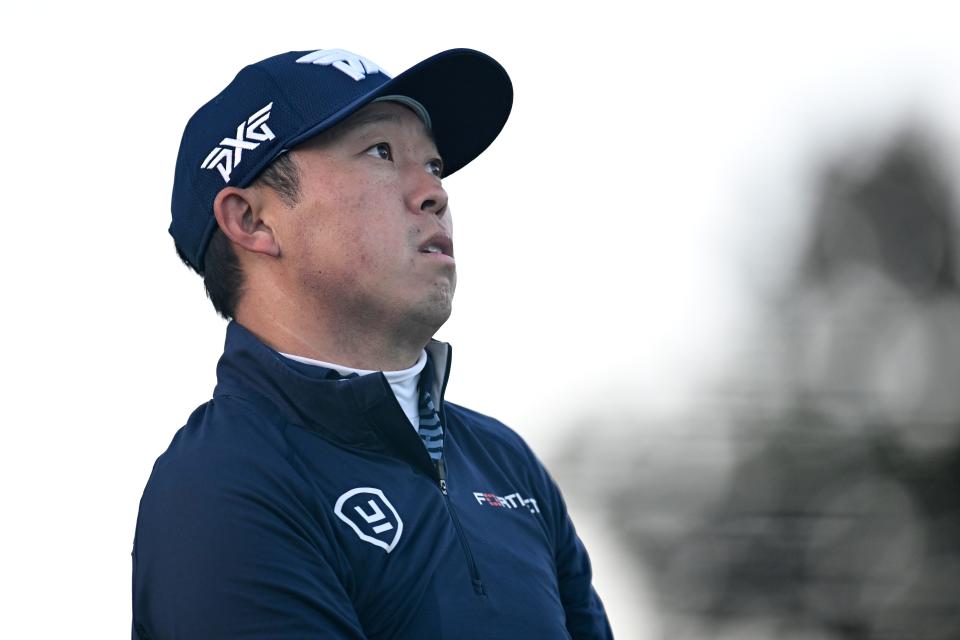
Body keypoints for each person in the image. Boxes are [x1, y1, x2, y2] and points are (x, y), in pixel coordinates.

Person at [131, 47, 613, 639]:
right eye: (381, 152)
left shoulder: (503, 460)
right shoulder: (221, 484)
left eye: (433, 166)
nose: (434, 193)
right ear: (252, 221)